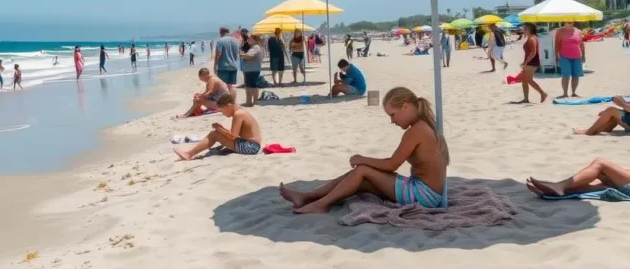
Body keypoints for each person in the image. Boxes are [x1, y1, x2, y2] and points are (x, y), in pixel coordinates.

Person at [279, 87, 449, 213]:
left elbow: (392, 164)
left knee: (361, 171)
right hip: (425, 191)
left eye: (392, 115)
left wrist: (362, 159)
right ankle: (308, 197)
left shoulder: (416, 131)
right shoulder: (422, 126)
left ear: (405, 107)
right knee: (360, 180)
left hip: (424, 196)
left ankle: (320, 204)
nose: (392, 121)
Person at [173, 94, 262, 160]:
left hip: (251, 147)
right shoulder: (239, 111)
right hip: (250, 144)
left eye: (223, 111)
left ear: (229, 106)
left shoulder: (238, 114)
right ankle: (190, 153)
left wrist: (220, 129)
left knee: (215, 134)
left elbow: (233, 136)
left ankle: (189, 154)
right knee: (217, 133)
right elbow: (235, 134)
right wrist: (221, 129)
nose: (223, 114)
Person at [573, 66, 630, 135]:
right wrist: (623, 102)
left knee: (611, 110)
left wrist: (621, 103)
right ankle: (603, 129)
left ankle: (589, 132)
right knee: (614, 116)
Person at [516, 23, 548, 104]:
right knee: (524, 80)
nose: (523, 30)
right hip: (531, 61)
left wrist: (526, 62)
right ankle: (526, 98)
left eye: (525, 29)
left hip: (532, 62)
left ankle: (543, 93)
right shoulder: (532, 37)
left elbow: (533, 52)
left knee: (528, 80)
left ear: (529, 29)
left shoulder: (532, 38)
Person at [555, 21, 586, 98]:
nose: (569, 22)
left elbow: (581, 44)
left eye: (571, 21)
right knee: (566, 75)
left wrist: (583, 55)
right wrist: (557, 56)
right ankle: (565, 93)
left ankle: (574, 92)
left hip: (577, 56)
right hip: (564, 56)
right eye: (568, 21)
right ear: (564, 21)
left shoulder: (578, 31)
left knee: (576, 75)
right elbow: (556, 45)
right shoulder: (559, 31)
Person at [214, 27, 241, 97]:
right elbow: (236, 54)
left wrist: (215, 64)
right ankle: (232, 101)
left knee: (223, 86)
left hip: (223, 66)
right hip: (234, 66)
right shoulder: (235, 41)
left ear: (221, 32)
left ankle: (225, 103)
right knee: (231, 86)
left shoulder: (220, 41)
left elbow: (218, 54)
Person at [239, 33, 264, 107]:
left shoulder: (255, 47)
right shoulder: (252, 47)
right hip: (250, 69)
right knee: (249, 86)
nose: (248, 40)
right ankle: (249, 102)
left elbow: (250, 56)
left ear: (255, 40)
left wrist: (242, 55)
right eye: (248, 39)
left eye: (250, 39)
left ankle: (253, 101)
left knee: (252, 86)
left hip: (253, 70)